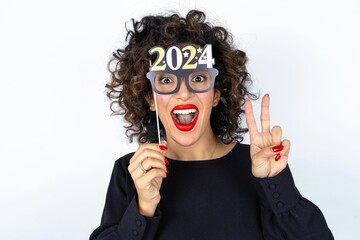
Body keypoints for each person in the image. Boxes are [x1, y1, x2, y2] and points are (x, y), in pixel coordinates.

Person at [90, 9, 334, 240]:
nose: (183, 93)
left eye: (198, 78)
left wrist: (274, 184)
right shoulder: (131, 172)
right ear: (149, 98)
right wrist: (143, 208)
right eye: (166, 80)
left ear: (216, 94)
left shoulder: (258, 166)